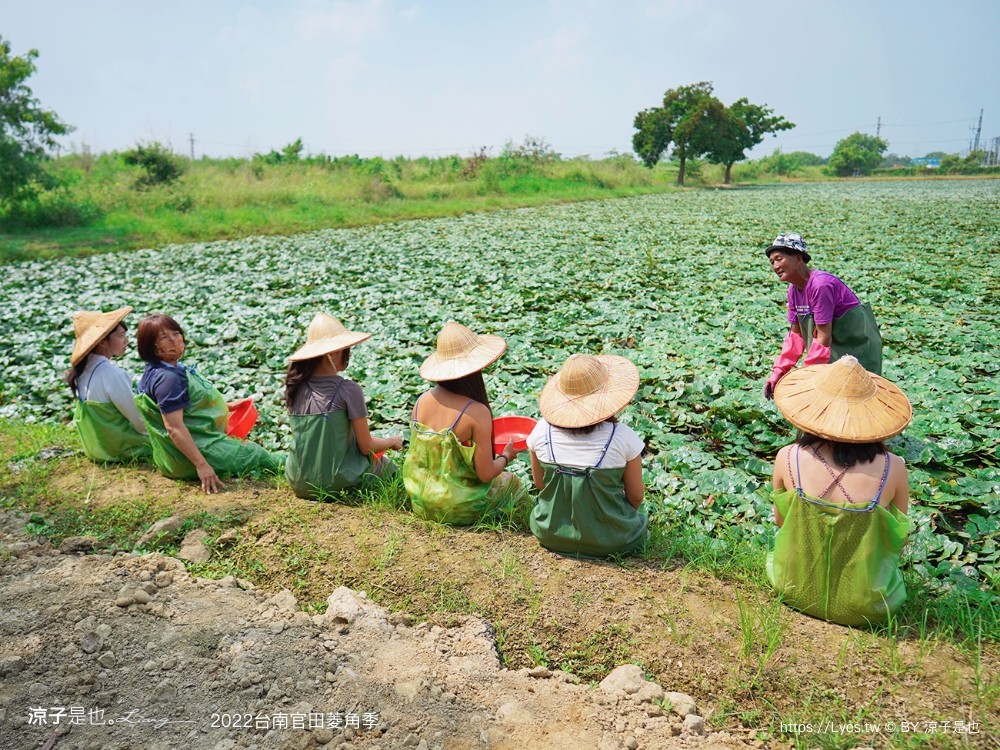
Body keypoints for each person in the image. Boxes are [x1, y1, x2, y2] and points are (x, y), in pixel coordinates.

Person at [768, 356, 912, 626]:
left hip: (792, 588)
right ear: (873, 418)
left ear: (814, 410)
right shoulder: (894, 468)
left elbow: (781, 521)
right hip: (867, 607)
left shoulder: (786, 457)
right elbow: (898, 542)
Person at [134, 314, 283, 493]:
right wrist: (202, 465)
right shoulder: (169, 378)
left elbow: (178, 407)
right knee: (256, 454)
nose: (174, 340)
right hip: (196, 453)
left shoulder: (155, 371)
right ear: (152, 347)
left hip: (171, 458)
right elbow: (174, 427)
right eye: (164, 338)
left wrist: (227, 406)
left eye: (176, 333)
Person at [402, 321, 526, 525]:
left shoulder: (421, 401)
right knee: (511, 481)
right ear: (475, 367)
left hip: (421, 501)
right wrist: (506, 457)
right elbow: (486, 474)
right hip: (459, 508)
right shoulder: (477, 412)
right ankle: (523, 523)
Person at [526, 354, 648, 558]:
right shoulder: (623, 436)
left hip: (549, 534)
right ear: (606, 394)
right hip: (614, 541)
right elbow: (636, 496)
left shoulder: (540, 432)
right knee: (641, 525)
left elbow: (540, 484)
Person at [284, 313, 404, 499]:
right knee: (388, 467)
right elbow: (366, 446)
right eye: (345, 349)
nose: (348, 354)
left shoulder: (295, 387)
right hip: (339, 483)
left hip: (299, 481)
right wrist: (392, 441)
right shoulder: (349, 389)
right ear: (330, 354)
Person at [763, 232, 882, 400]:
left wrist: (806, 377)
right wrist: (779, 371)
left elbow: (824, 337)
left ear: (798, 257)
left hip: (857, 351)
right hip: (833, 352)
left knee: (853, 403)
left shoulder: (821, 285)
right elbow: (795, 336)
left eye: (779, 258)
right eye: (772, 262)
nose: (775, 266)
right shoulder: (793, 291)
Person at [65, 305, 151, 463]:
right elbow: (140, 422)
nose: (126, 341)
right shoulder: (113, 375)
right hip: (121, 449)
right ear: (102, 342)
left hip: (96, 449)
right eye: (121, 336)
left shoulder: (79, 373)